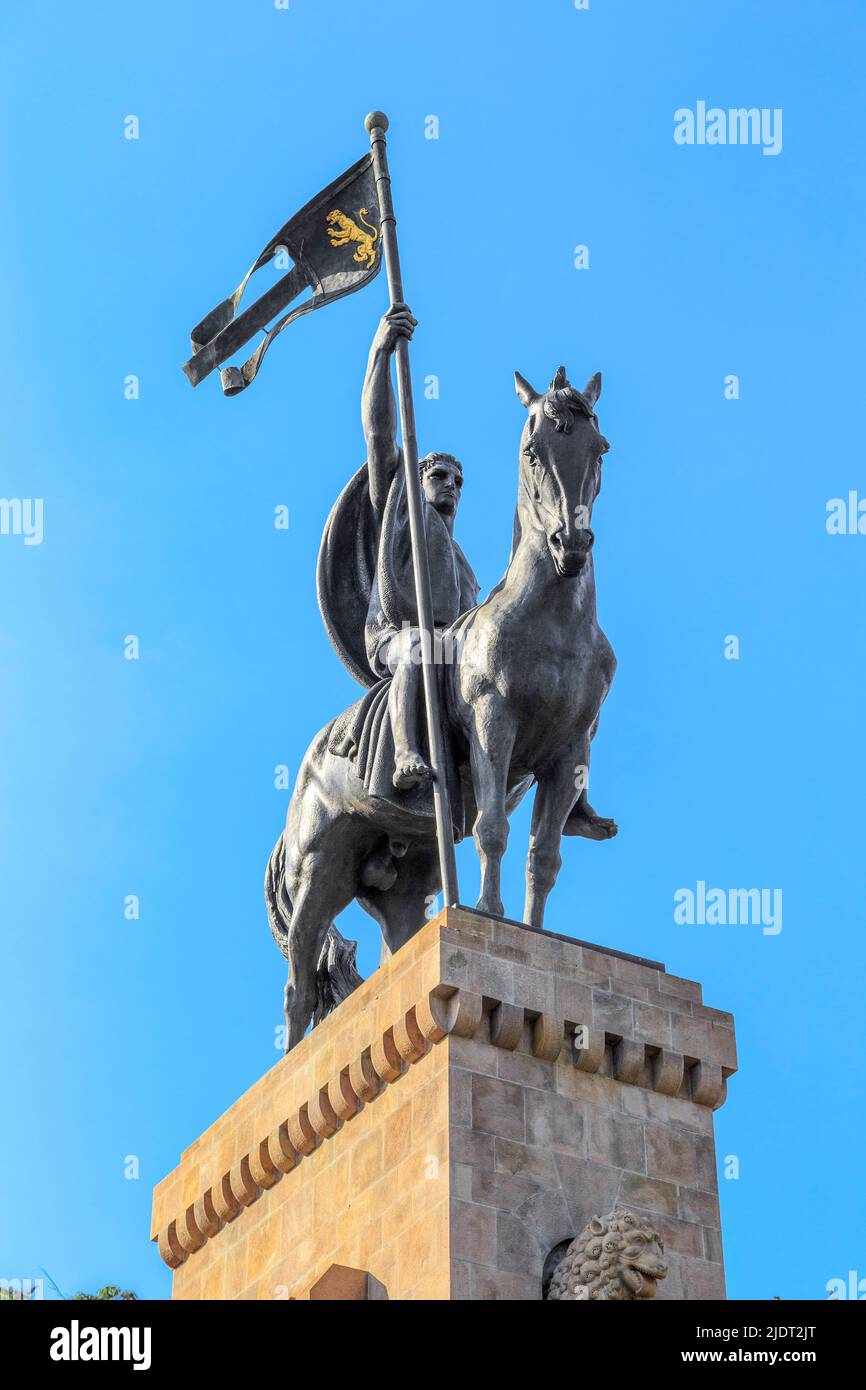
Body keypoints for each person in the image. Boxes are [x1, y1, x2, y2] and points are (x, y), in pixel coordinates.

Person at [360, 303, 478, 789]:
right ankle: (405, 752)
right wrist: (380, 350)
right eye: (438, 476)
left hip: (451, 648)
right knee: (416, 648)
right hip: (396, 634)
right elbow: (379, 431)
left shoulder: (463, 566)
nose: (449, 485)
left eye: (457, 480)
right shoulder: (400, 506)